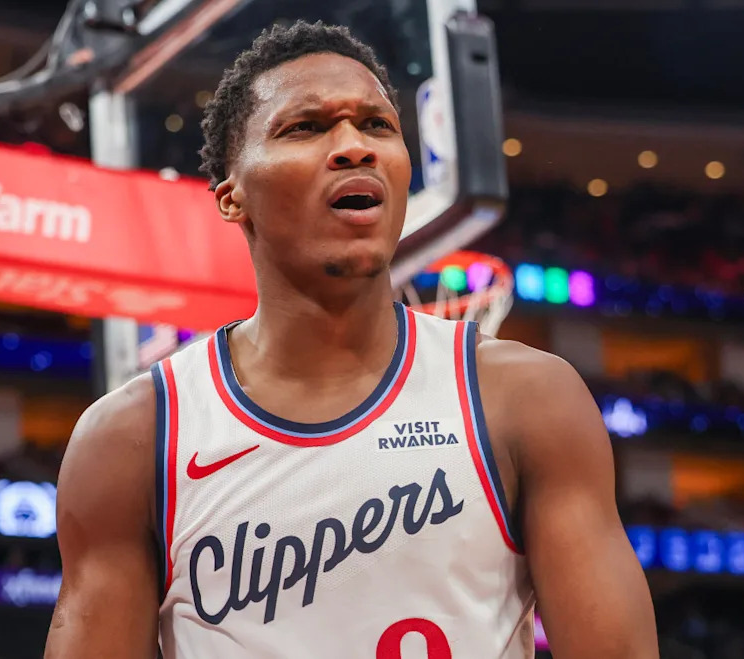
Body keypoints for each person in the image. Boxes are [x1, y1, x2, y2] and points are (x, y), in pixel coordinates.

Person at [44, 20, 658, 659]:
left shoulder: (526, 396)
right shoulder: (132, 438)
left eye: (377, 126)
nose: (353, 146)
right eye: (304, 127)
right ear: (232, 197)